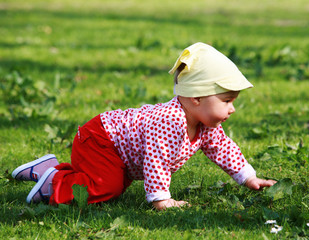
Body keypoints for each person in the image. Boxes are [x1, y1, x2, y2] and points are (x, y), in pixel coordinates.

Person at [12, 42, 276, 210]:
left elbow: (223, 149)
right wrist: (161, 198)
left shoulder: (206, 125)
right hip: (101, 140)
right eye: (227, 100)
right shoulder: (171, 120)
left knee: (110, 187)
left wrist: (248, 177)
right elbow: (156, 161)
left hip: (115, 149)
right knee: (106, 187)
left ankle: (45, 169)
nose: (232, 108)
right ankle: (52, 184)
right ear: (196, 98)